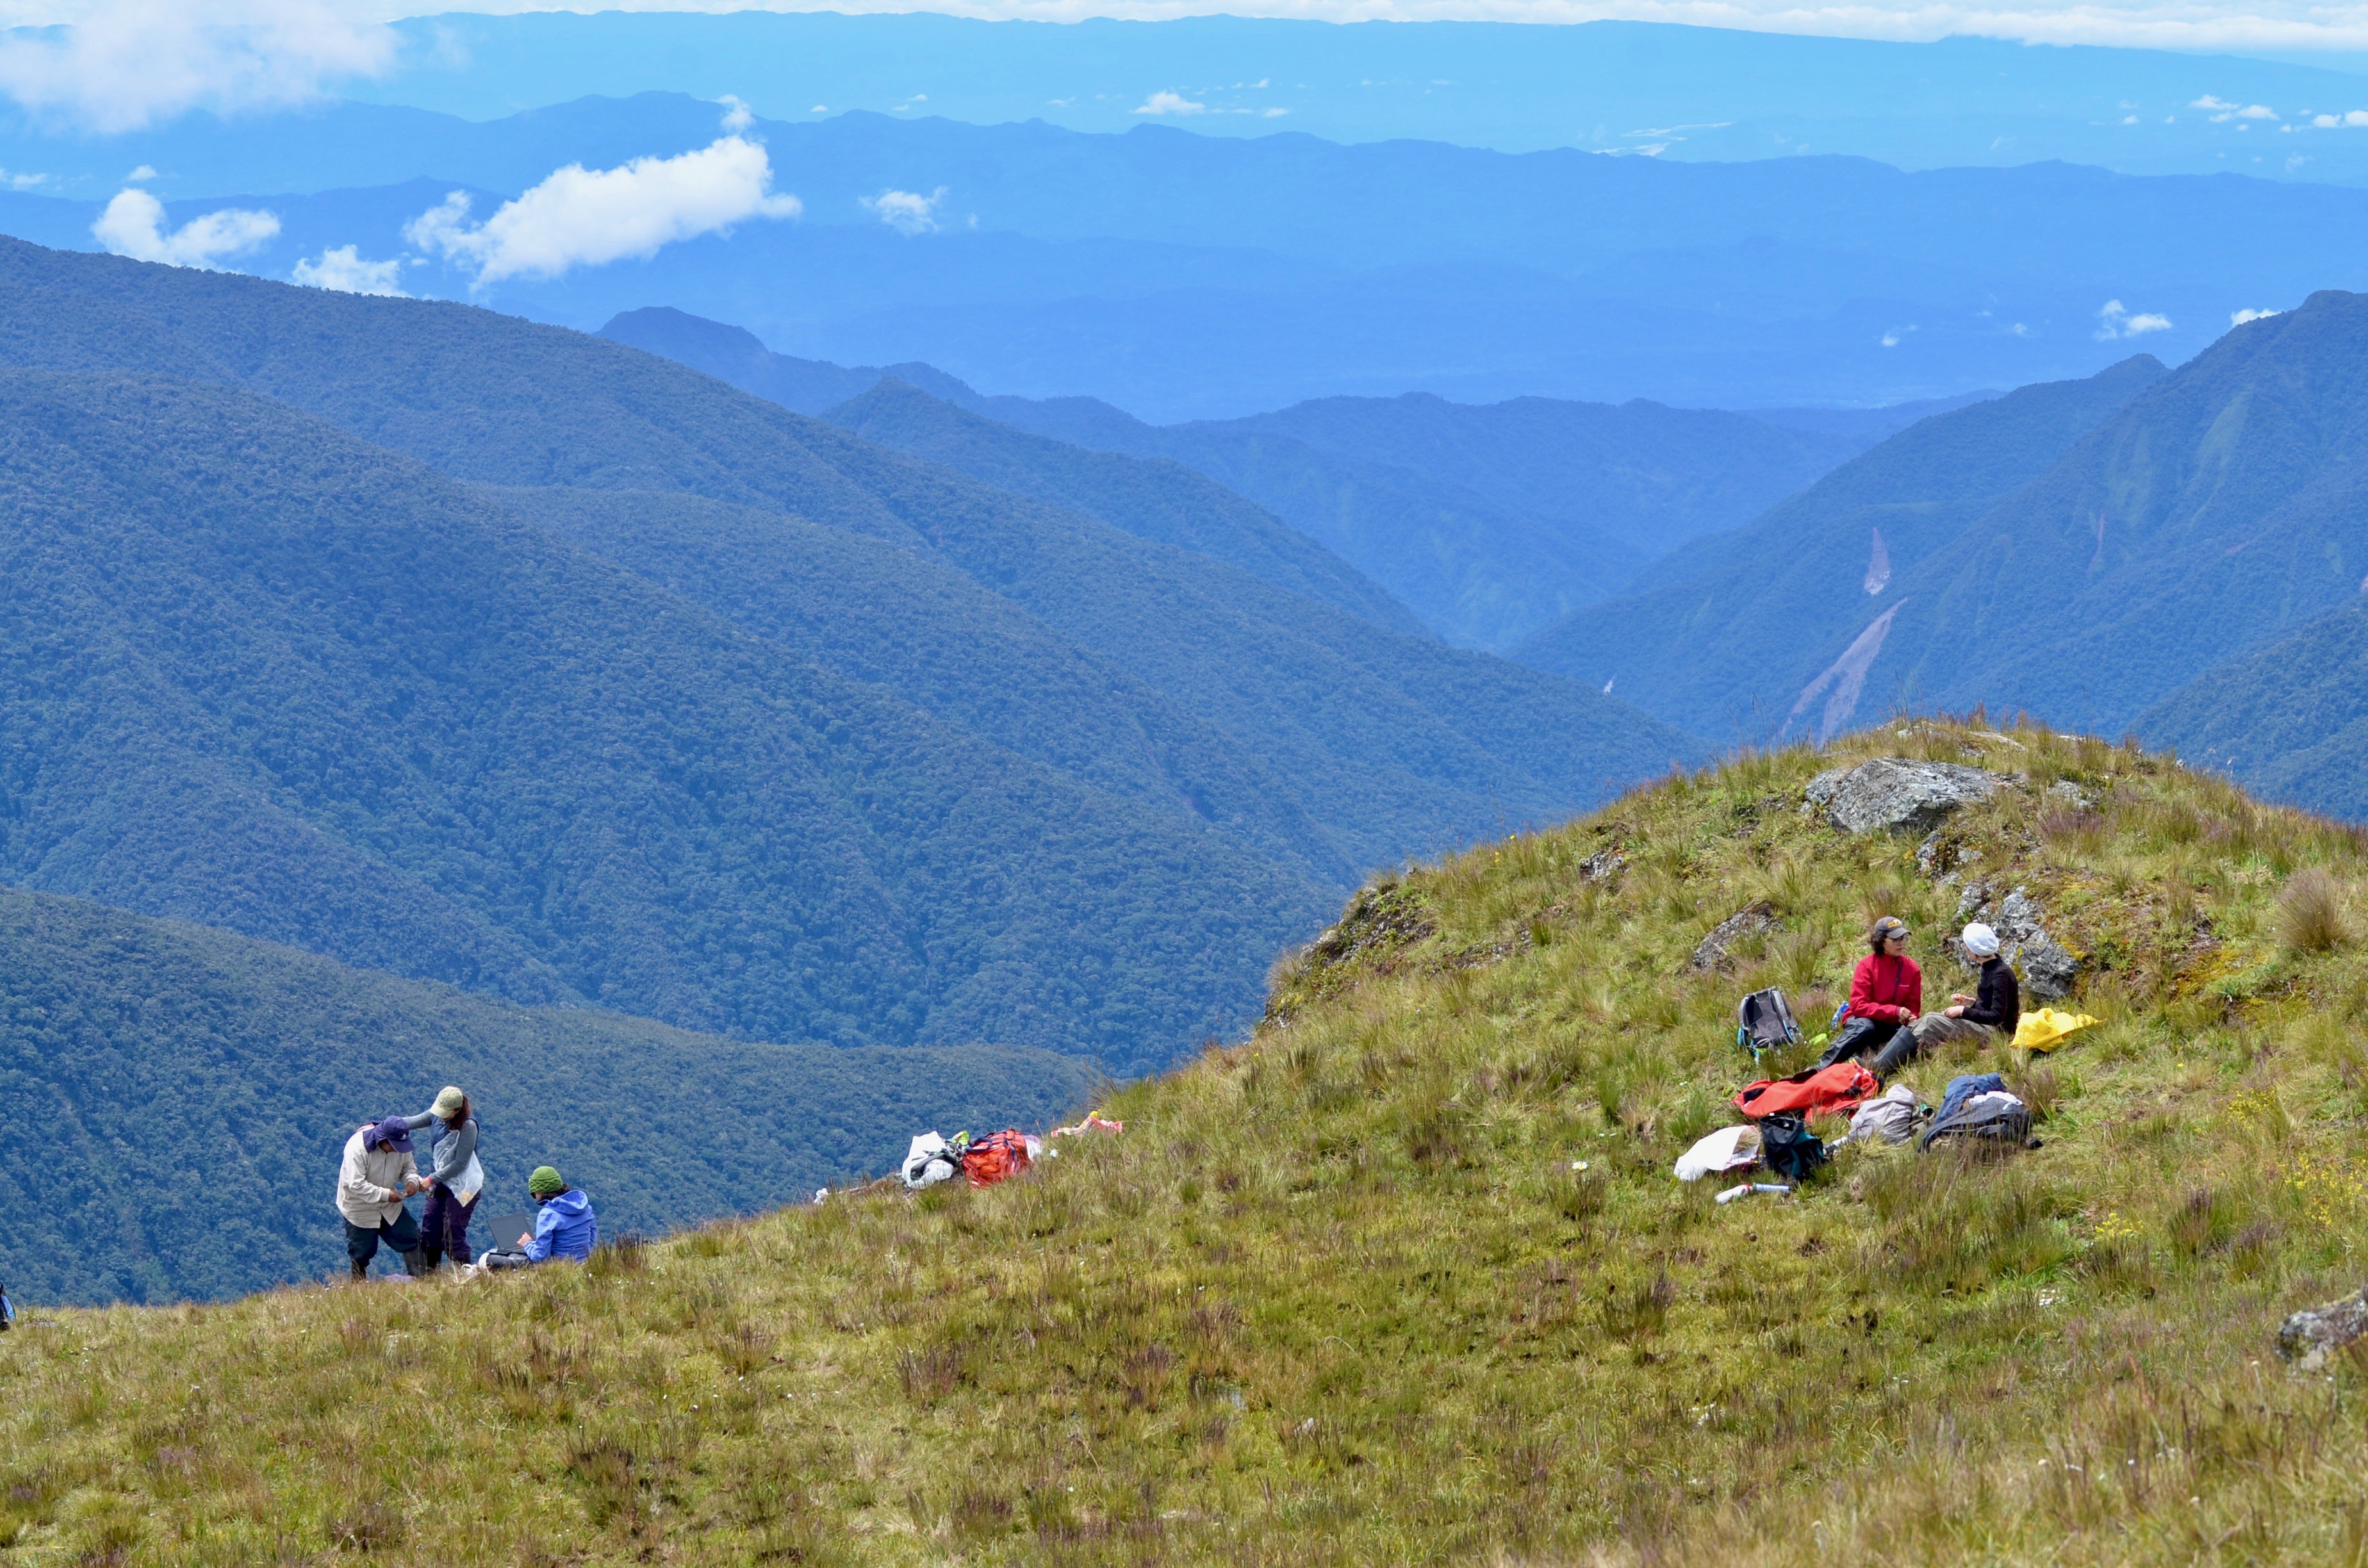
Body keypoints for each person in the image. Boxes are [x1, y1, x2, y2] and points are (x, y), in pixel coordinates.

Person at [1815, 915, 1923, 1068]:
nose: (1901, 943)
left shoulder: (1912, 969)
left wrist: (1911, 1018)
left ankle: (1874, 1068)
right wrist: (1895, 1011)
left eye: (1903, 938)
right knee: (1865, 1028)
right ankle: (1822, 1068)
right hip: (1864, 1021)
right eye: (1895, 939)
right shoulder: (1866, 966)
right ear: (1880, 941)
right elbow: (1859, 1006)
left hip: (1890, 1025)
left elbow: (1914, 1008)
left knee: (1912, 1037)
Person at [337, 1115, 427, 1281]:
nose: (398, 1150)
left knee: (410, 1235)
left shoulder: (401, 1147)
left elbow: (408, 1168)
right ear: (383, 1139)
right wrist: (386, 1194)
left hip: (389, 1207)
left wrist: (412, 1181)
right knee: (361, 1252)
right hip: (360, 1208)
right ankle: (358, 1288)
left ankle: (422, 1279)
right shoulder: (358, 1148)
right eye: (394, 1146)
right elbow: (356, 1185)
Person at [405, 1086, 482, 1273]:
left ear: (457, 1110)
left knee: (453, 1234)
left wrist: (430, 1180)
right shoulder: (436, 1116)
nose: (441, 1117)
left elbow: (460, 1164)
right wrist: (379, 1126)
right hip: (439, 1185)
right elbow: (409, 1122)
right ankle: (430, 1277)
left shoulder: (468, 1126)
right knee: (430, 1232)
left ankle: (466, 1274)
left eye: (446, 1113)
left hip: (463, 1186)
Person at [475, 1166, 598, 1271]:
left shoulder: (548, 1214)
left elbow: (541, 1257)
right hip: (582, 1265)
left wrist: (527, 1244)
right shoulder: (585, 1208)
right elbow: (591, 1239)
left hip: (556, 1268)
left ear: (539, 1191)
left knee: (486, 1258)